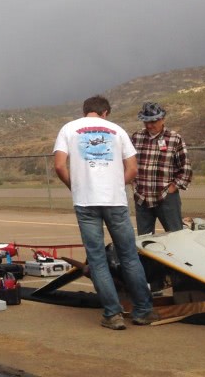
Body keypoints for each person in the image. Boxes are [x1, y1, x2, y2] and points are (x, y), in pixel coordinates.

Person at [53, 95, 157, 329]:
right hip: (115, 201)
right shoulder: (117, 130)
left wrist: (75, 187)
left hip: (86, 202)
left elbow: (59, 165)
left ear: (85, 111)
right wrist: (115, 185)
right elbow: (133, 168)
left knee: (97, 258)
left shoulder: (68, 129)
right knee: (129, 256)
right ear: (105, 113)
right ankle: (143, 310)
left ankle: (113, 314)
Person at [131, 101, 191, 234]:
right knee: (144, 239)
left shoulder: (174, 138)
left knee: (176, 235)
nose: (149, 125)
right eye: (146, 121)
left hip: (166, 197)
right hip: (142, 197)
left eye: (153, 121)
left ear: (162, 119)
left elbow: (185, 169)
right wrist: (133, 184)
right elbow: (129, 163)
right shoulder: (136, 137)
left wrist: (172, 188)